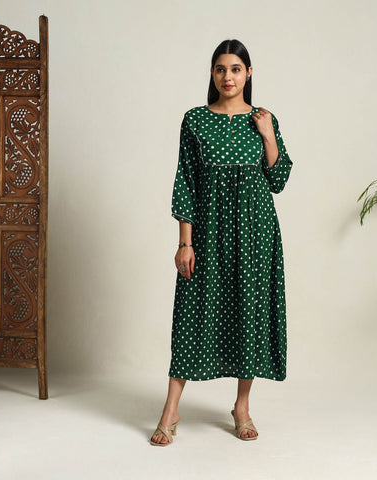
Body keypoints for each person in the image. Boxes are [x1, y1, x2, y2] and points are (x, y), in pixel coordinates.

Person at [150, 39, 293, 446]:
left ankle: (241, 407)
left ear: (249, 73)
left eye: (235, 69)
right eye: (220, 69)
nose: (227, 76)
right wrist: (185, 242)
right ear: (212, 74)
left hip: (255, 234)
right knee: (192, 314)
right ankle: (171, 410)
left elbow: (279, 179)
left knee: (249, 314)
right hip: (208, 234)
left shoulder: (264, 119)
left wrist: (268, 135)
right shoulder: (195, 120)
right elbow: (185, 181)